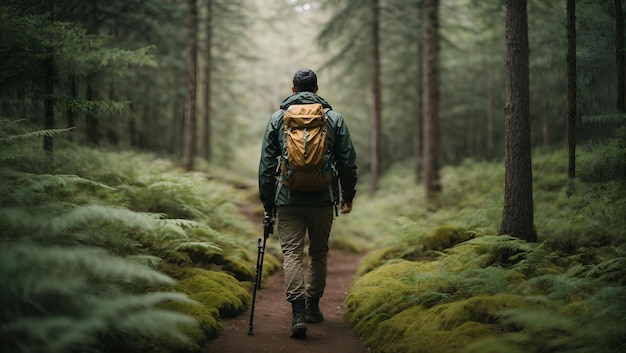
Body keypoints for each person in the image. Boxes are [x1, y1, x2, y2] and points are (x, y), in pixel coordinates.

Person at [258, 68, 358, 338]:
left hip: (288, 199)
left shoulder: (278, 119)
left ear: (293, 90)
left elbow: (267, 166)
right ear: (316, 90)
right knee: (318, 253)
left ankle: (298, 313)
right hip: (323, 198)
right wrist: (348, 195)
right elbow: (347, 163)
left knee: (291, 253)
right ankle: (313, 307)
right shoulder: (333, 119)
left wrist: (268, 203)